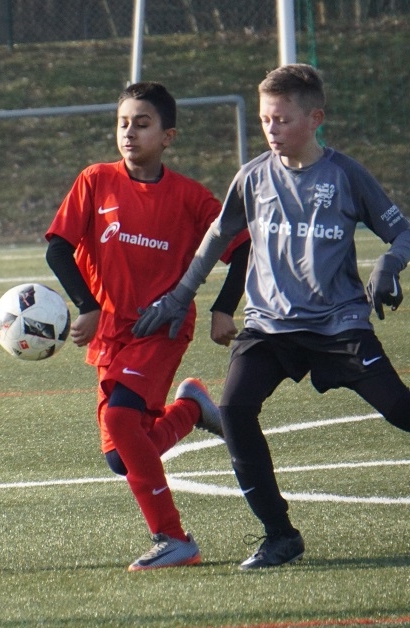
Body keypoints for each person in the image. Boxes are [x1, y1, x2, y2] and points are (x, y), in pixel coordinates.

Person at [132, 63, 410, 570]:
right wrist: (180, 295)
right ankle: (280, 535)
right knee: (235, 410)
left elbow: (402, 232)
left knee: (400, 410)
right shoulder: (254, 176)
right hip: (268, 326)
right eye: (265, 120)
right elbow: (217, 237)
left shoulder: (345, 175)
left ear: (315, 119)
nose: (271, 130)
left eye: (282, 119)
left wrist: (389, 263)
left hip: (339, 326)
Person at [45, 81, 250, 571]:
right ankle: (190, 408)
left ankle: (174, 539)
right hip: (111, 336)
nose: (129, 133)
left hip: (161, 331)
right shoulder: (95, 180)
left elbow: (243, 247)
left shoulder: (191, 198)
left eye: (142, 124)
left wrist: (224, 308)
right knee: (122, 456)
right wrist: (88, 306)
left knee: (120, 421)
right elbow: (58, 249)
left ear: (167, 136)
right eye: (123, 123)